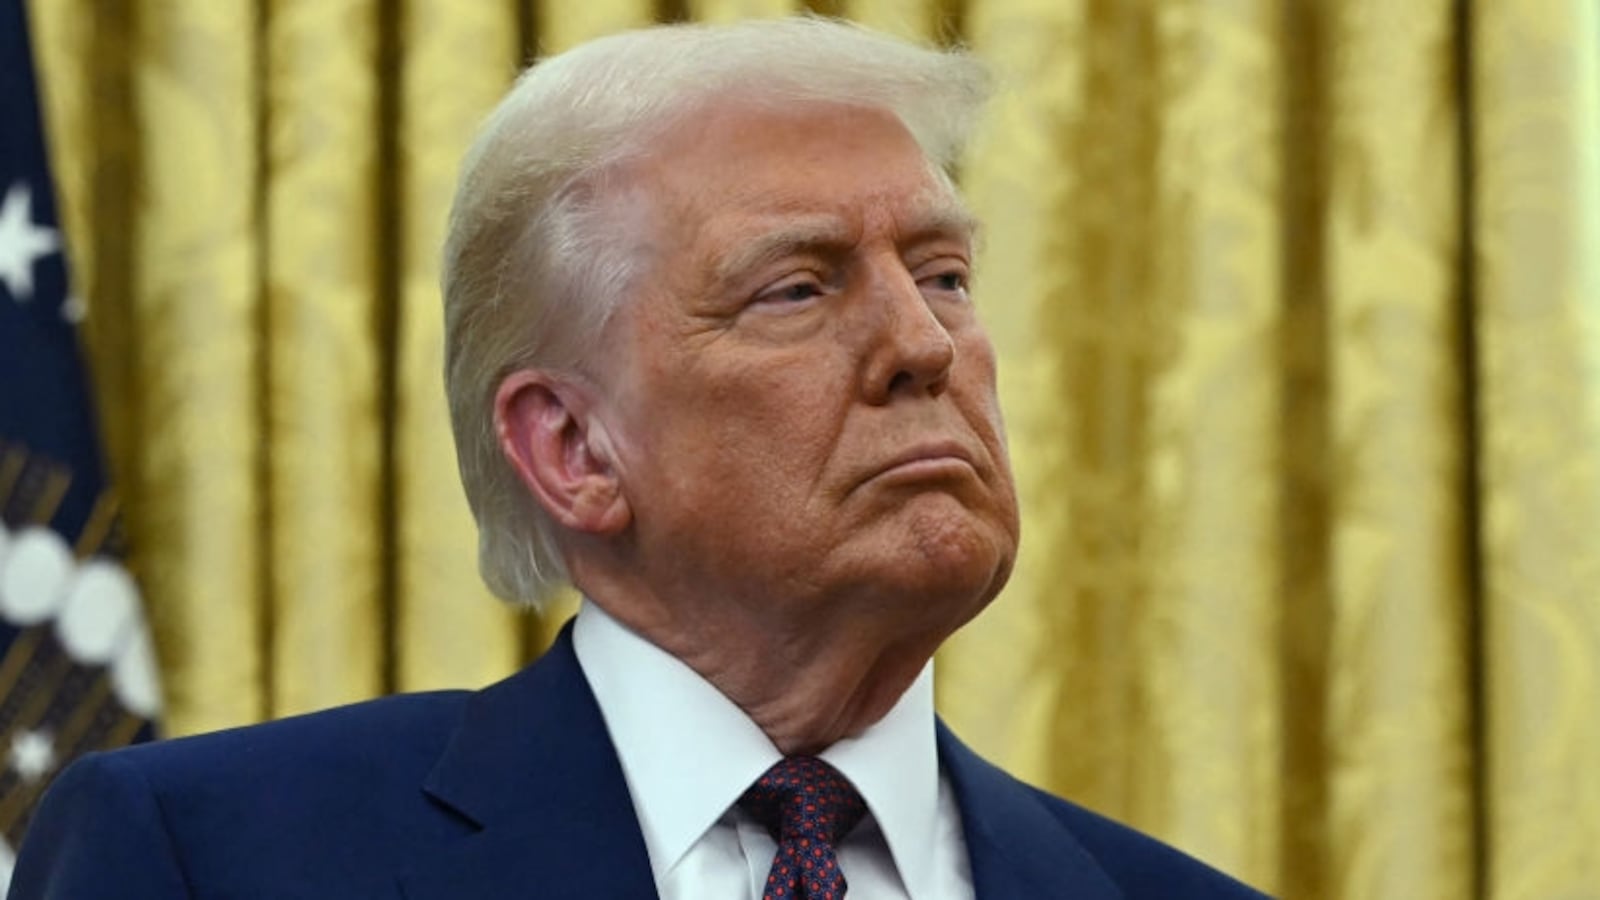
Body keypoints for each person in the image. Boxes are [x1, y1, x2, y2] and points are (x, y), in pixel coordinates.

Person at [13, 17, 1269, 900]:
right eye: (794, 290)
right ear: (571, 448)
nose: (924, 345)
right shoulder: (216, 857)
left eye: (944, 275)